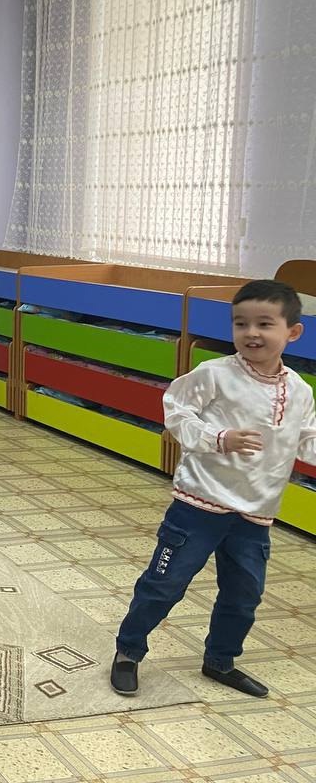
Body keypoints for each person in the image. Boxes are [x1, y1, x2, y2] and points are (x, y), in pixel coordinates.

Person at [111, 280, 316, 699]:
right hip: (199, 506)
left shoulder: (299, 390)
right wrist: (218, 438)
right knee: (164, 584)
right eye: (241, 323)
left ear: (293, 332)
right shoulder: (216, 374)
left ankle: (220, 660)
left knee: (244, 596)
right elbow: (176, 410)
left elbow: (307, 440)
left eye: (264, 324)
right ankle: (128, 651)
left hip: (255, 514)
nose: (251, 333)